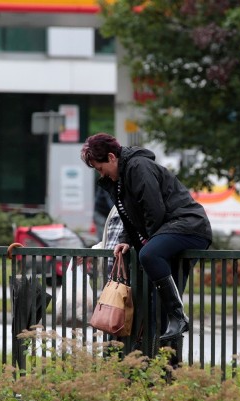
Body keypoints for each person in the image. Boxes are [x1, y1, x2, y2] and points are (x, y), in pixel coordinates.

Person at [80, 133, 212, 343]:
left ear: (112, 157)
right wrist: (126, 239)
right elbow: (129, 215)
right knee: (157, 302)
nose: (101, 173)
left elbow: (154, 210)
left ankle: (178, 316)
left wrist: (147, 243)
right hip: (170, 229)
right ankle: (162, 365)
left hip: (188, 225)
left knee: (149, 255)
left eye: (99, 167)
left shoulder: (137, 167)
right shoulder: (120, 179)